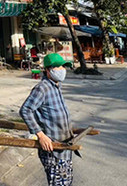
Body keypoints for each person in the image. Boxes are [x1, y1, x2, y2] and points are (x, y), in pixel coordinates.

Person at [19, 52, 75, 186]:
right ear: (48, 70)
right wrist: (41, 135)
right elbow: (25, 110)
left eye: (63, 67)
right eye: (58, 67)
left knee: (66, 182)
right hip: (52, 149)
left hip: (64, 147)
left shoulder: (56, 86)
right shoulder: (42, 88)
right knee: (58, 183)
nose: (62, 70)